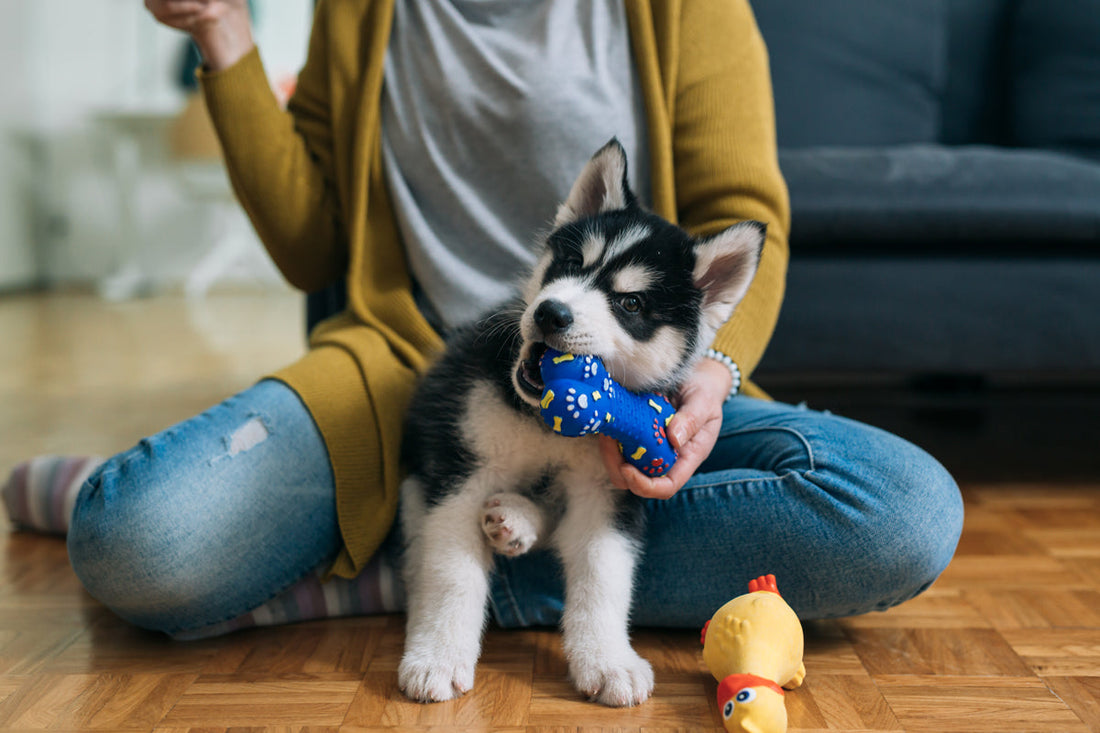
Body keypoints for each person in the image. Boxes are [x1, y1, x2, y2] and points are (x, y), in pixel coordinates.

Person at [2, 0, 963, 639]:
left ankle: (409, 563)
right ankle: (417, 536)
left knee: (901, 514)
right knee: (136, 541)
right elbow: (309, 245)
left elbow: (748, 223)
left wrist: (707, 379)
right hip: (406, 375)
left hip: (628, 391)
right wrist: (219, 29)